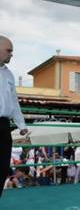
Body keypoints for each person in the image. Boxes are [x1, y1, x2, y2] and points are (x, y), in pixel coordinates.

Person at [0, 35, 28, 197]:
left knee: (3, 168)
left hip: (4, 125)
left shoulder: (9, 74)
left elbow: (14, 102)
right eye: (8, 50)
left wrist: (22, 125)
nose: (11, 54)